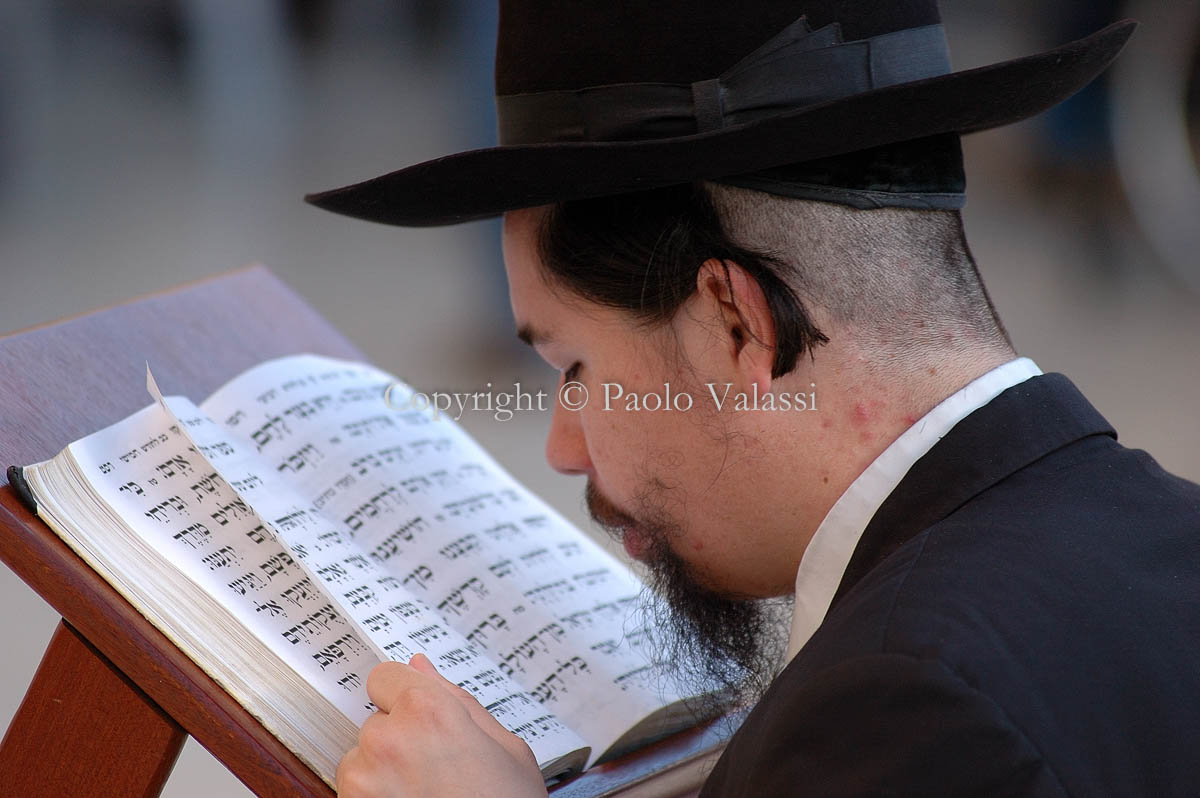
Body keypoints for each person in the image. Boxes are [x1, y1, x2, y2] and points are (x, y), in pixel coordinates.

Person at [307, 2, 1200, 796]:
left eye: (574, 368)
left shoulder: (902, 706)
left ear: (738, 324)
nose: (563, 448)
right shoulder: (1173, 533)